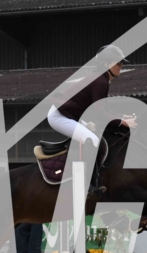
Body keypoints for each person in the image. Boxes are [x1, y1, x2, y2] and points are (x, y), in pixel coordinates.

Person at [47, 44, 138, 195]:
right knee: (92, 140)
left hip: (68, 114)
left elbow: (103, 110)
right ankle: (87, 183)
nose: (121, 66)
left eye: (122, 62)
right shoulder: (100, 81)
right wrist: (123, 123)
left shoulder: (101, 79)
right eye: (118, 62)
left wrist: (122, 117)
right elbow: (100, 114)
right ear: (105, 63)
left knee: (94, 135)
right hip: (59, 116)